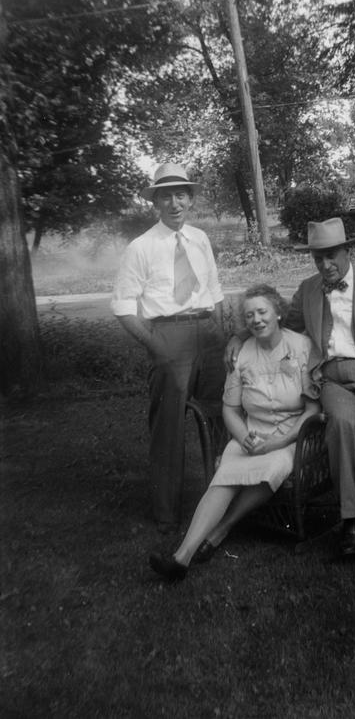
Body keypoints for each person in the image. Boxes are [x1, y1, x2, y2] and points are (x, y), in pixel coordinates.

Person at [229, 217, 355, 573]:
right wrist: (240, 335)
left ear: (347, 251)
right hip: (333, 380)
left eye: (331, 255)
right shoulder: (309, 289)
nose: (325, 264)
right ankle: (351, 520)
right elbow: (278, 322)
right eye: (317, 258)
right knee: (340, 428)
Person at [149, 284, 321, 581]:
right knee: (225, 477)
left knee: (273, 466)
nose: (256, 320)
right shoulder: (241, 354)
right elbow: (230, 409)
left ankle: (222, 528)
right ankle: (181, 557)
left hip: (294, 435)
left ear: (278, 313)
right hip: (253, 432)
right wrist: (244, 438)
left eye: (262, 312)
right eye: (249, 315)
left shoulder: (302, 347)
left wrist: (280, 441)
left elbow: (312, 409)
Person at [111, 162, 226, 534]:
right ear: (155, 202)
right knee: (169, 428)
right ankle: (167, 512)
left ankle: (223, 498)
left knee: (221, 417)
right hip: (168, 336)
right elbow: (123, 307)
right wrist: (157, 346)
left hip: (208, 335)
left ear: (190, 199)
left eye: (181, 195)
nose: (175, 203)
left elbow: (214, 291)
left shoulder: (200, 238)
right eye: (166, 197)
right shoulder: (141, 247)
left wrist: (220, 335)